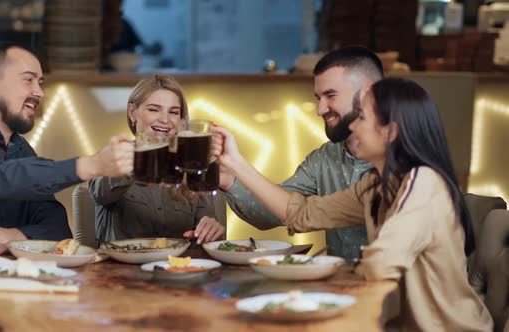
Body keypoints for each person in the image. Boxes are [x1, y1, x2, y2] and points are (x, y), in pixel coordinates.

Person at [212, 77, 492, 331]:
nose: (352, 125)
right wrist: (236, 164)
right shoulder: (376, 186)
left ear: (390, 131)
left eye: (361, 117)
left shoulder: (423, 181)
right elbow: (301, 214)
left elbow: (382, 263)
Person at [0, 41, 135, 264]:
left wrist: (18, 235)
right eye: (28, 80)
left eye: (40, 83)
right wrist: (92, 165)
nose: (39, 92)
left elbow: (57, 227)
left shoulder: (21, 150)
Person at [219, 46, 382, 261]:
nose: (320, 109)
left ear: (369, 93)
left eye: (331, 95)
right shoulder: (324, 158)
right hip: (341, 289)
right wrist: (230, 178)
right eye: (318, 98)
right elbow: (289, 213)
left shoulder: (404, 171)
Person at [89, 75, 225, 244]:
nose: (165, 120)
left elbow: (206, 231)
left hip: (176, 266)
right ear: (133, 113)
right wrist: (144, 155)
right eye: (154, 109)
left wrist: (211, 229)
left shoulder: (191, 165)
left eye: (174, 112)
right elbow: (101, 193)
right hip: (121, 267)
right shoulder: (113, 156)